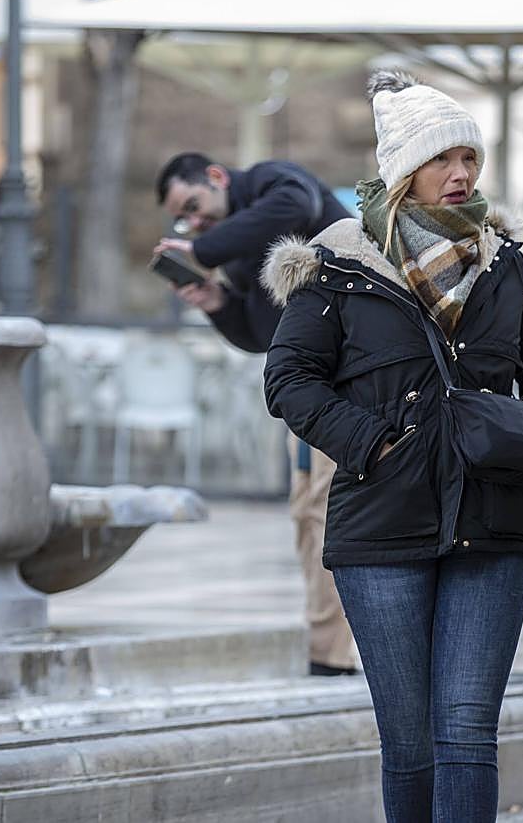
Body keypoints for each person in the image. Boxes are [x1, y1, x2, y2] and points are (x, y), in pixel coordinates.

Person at [262, 70, 523, 822]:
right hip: (380, 527)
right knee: (408, 742)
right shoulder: (339, 269)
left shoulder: (503, 262)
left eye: (469, 157)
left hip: (492, 523)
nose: (461, 173)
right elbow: (289, 380)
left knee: (468, 730)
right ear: (403, 170)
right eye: (443, 159)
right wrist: (374, 444)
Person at [153, 152, 357, 676]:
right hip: (311, 385)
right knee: (307, 512)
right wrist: (217, 304)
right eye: (185, 219)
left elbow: (296, 203)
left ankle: (332, 651)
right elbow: (263, 336)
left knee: (325, 511)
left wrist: (199, 248)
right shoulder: (240, 250)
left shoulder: (272, 183)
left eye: (194, 206)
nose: (195, 222)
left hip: (350, 373)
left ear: (218, 177)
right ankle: (328, 646)